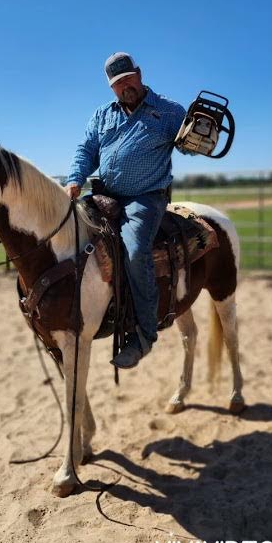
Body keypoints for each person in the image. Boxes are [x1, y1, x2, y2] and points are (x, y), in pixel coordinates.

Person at [65, 52, 188, 369]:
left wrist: (198, 137)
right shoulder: (102, 115)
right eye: (118, 84)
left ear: (140, 74)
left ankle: (144, 335)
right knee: (68, 234)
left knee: (134, 250)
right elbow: (86, 150)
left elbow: (191, 144)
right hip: (103, 194)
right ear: (111, 87)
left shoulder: (170, 112)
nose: (125, 87)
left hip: (144, 197)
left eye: (128, 79)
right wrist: (75, 178)